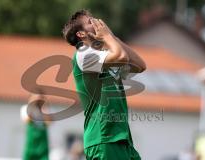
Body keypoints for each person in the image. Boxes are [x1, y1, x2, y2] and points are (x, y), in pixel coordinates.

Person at [62, 9, 146, 160]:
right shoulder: (83, 54)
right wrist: (107, 36)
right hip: (103, 137)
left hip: (119, 137)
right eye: (90, 22)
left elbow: (140, 65)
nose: (97, 22)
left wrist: (111, 36)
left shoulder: (105, 55)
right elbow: (121, 55)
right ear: (81, 34)